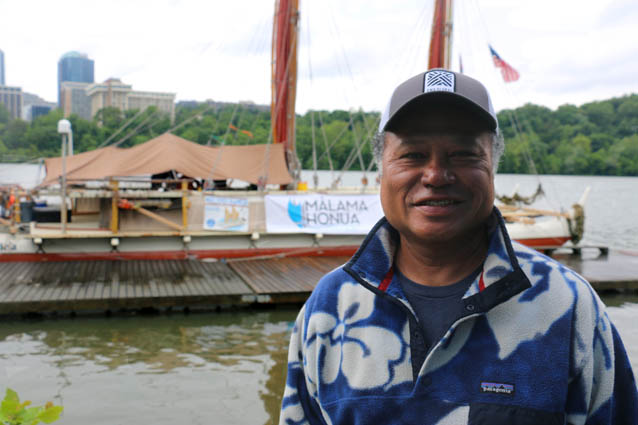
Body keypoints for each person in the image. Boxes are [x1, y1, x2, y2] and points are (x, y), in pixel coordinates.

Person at [279, 69, 638, 424]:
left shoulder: (568, 305)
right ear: (381, 172)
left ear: (493, 167)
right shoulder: (328, 308)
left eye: (463, 154)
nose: (435, 175)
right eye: (413, 155)